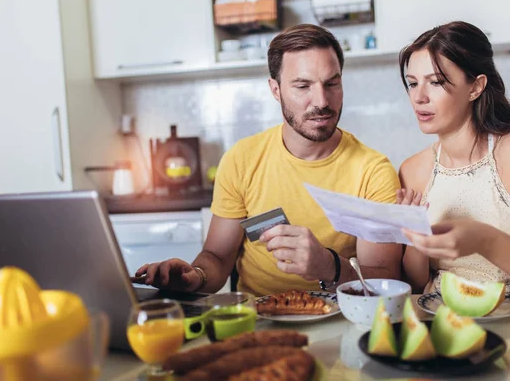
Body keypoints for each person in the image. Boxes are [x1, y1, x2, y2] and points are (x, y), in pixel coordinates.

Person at [135, 24, 403, 296]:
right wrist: (195, 277)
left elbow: (385, 279)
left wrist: (328, 266)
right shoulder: (242, 160)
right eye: (302, 86)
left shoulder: (373, 171)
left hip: (341, 319)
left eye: (332, 83)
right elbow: (217, 257)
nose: (321, 100)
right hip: (257, 320)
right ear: (275, 90)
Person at [396, 21, 510, 297]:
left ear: (476, 87)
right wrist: (415, 240)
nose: (418, 97)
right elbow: (414, 284)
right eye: (412, 83)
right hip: (447, 326)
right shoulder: (413, 170)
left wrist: (485, 240)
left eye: (435, 82)